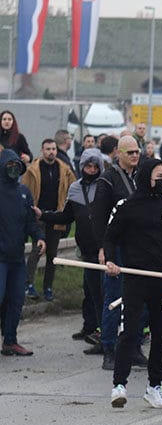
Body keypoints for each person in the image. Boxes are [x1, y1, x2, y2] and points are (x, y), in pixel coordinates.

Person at [103, 158, 162, 409]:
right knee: (130, 332)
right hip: (134, 278)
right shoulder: (126, 206)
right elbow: (110, 237)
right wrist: (110, 261)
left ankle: (155, 386)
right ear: (145, 177)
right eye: (159, 175)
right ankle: (119, 384)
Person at [39, 148, 105, 344]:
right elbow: (67, 216)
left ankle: (104, 333)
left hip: (102, 249)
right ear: (82, 166)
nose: (91, 170)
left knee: (100, 292)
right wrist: (43, 215)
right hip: (86, 249)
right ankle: (89, 327)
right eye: (88, 166)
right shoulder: (75, 188)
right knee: (89, 290)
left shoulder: (104, 187)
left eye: (95, 166)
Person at [91, 136, 142, 368]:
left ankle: (134, 346)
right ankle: (109, 348)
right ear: (118, 154)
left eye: (137, 151)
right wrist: (104, 248)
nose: (134, 155)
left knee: (139, 298)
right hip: (117, 246)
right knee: (113, 298)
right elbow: (99, 218)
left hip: (139, 247)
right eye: (130, 152)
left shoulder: (141, 176)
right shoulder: (108, 179)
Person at [0, 149, 45, 357]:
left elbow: (30, 221)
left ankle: (10, 341)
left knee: (17, 300)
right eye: (9, 165)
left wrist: (39, 237)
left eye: (16, 166)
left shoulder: (24, 192)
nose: (13, 169)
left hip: (17, 258)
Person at [21, 138, 76, 301]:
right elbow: (26, 190)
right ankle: (28, 284)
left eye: (53, 149)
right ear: (42, 150)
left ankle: (48, 288)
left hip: (56, 216)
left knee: (52, 254)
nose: (51, 152)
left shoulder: (64, 170)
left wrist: (67, 210)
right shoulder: (33, 170)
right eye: (48, 149)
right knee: (37, 250)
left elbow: (73, 187)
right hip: (38, 215)